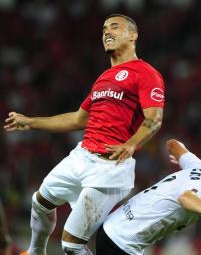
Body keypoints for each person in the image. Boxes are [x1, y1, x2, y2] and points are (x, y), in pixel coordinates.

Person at [4, 14, 165, 255]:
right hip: (82, 156)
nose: (106, 32)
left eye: (114, 27)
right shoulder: (103, 78)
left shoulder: (146, 73)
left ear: (133, 35)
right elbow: (78, 119)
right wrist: (32, 122)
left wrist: (131, 145)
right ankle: (35, 252)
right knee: (40, 203)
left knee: (71, 245)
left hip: (109, 168)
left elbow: (154, 120)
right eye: (103, 29)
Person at [95, 139, 201, 255]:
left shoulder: (200, 168)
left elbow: (172, 144)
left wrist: (180, 158)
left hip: (114, 228)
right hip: (121, 243)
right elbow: (185, 197)